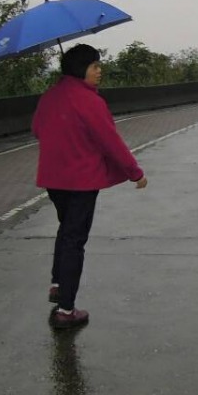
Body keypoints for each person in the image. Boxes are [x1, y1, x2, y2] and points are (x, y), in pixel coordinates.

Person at [31, 43, 148, 330]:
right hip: (81, 181)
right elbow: (110, 142)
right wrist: (135, 173)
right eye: (95, 66)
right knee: (75, 239)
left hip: (54, 179)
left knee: (66, 230)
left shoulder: (50, 96)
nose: (99, 71)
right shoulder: (90, 102)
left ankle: (58, 285)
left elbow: (37, 128)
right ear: (80, 68)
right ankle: (66, 310)